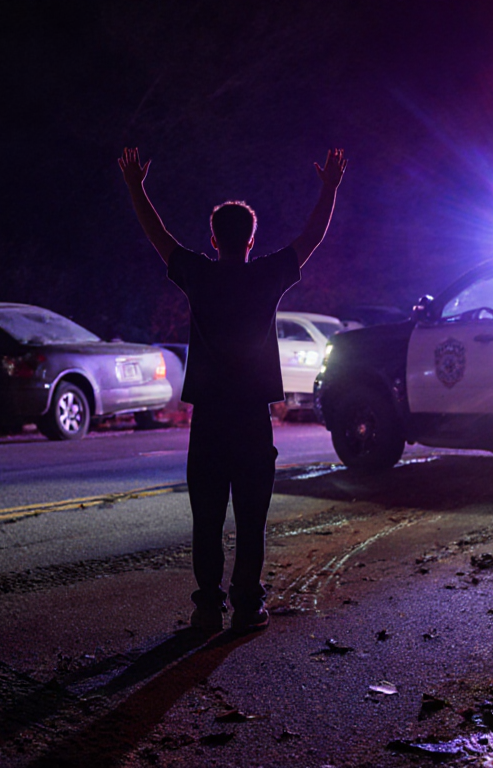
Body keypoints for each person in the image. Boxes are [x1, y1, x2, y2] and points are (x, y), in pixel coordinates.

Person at [119, 147, 347, 633]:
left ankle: (207, 608)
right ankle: (246, 605)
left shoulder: (198, 275)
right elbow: (310, 238)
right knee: (250, 517)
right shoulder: (266, 276)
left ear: (213, 239)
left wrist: (137, 187)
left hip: (209, 419)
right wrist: (329, 188)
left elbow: (158, 237)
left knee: (206, 516)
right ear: (251, 242)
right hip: (249, 417)